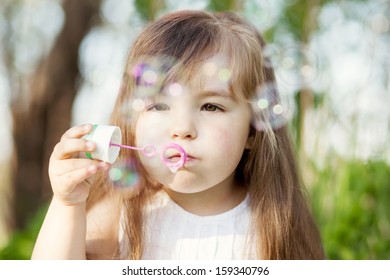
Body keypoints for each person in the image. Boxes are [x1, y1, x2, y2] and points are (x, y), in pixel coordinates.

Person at [31, 10, 325, 260]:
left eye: (211, 106)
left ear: (252, 130)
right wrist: (68, 205)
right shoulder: (122, 215)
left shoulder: (273, 222)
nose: (182, 129)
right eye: (159, 105)